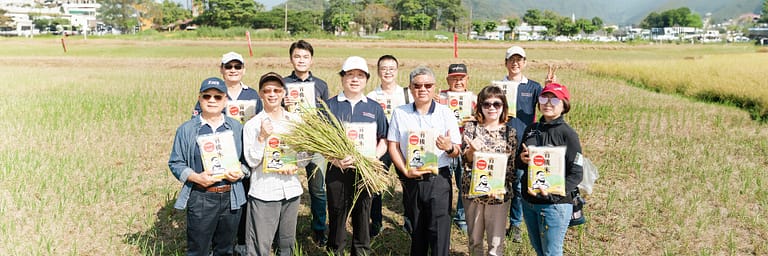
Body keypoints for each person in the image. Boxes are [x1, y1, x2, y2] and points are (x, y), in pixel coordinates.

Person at [169, 77, 249, 256]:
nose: (212, 100)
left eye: (217, 97)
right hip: (202, 197)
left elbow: (247, 162)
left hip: (232, 196)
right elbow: (175, 162)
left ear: (225, 100)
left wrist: (240, 172)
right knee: (199, 249)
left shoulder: (236, 128)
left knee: (226, 249)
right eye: (207, 96)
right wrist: (196, 177)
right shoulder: (187, 130)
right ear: (200, 98)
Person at [387, 66, 461, 256]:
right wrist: (404, 170)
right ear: (410, 88)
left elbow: (457, 150)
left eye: (428, 85)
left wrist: (449, 147)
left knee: (439, 231)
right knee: (416, 229)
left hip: (439, 179)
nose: (423, 89)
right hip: (411, 178)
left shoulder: (445, 113)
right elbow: (393, 145)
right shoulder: (400, 113)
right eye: (417, 85)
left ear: (434, 87)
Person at [323, 56, 389, 255]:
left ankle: (361, 250)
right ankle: (335, 249)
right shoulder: (329, 106)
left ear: (366, 79)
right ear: (342, 78)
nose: (354, 79)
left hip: (366, 171)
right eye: (350, 75)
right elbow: (321, 143)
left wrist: (374, 157)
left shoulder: (374, 107)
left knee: (363, 212)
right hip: (338, 169)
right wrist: (335, 160)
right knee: (337, 212)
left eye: (360, 75)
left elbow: (384, 139)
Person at [242, 72, 307, 256]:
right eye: (267, 90)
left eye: (276, 90)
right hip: (264, 192)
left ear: (283, 93)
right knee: (259, 246)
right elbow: (252, 160)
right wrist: (262, 137)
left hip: (291, 190)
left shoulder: (295, 122)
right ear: (261, 94)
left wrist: (300, 159)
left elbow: (303, 158)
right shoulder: (253, 125)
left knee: (286, 245)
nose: (272, 94)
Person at [516, 83, 583, 256]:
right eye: (544, 98)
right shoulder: (531, 130)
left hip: (554, 205)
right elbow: (519, 162)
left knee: (552, 252)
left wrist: (554, 194)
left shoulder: (568, 134)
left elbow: (576, 173)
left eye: (554, 99)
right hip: (529, 201)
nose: (548, 103)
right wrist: (522, 160)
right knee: (539, 250)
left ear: (564, 105)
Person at [283, 40, 331, 246]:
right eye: (297, 56)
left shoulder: (320, 85)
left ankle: (319, 228)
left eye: (305, 57)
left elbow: (327, 116)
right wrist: (284, 106)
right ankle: (284, 230)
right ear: (291, 59)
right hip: (290, 142)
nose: (301, 60)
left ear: (311, 60)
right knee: (285, 184)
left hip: (315, 143)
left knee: (318, 188)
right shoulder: (282, 84)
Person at [460, 85, 518, 256]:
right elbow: (465, 160)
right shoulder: (471, 128)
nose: (491, 108)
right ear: (480, 106)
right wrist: (471, 151)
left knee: (496, 244)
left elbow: (512, 169)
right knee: (475, 240)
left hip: (498, 197)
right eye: (486, 104)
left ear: (503, 107)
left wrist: (498, 188)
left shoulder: (510, 133)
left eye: (496, 104)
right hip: (473, 193)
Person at [364, 54, 413, 237]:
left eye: (391, 68)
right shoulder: (371, 96)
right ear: (378, 72)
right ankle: (376, 221)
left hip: (403, 146)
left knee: (408, 184)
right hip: (381, 144)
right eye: (384, 68)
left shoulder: (407, 94)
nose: (388, 72)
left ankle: (409, 222)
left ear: (397, 71)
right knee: (376, 184)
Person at [502, 45, 544, 242]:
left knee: (519, 185)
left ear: (525, 63)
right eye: (512, 59)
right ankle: (496, 221)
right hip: (500, 142)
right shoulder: (497, 86)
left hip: (523, 144)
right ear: (506, 63)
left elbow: (547, 106)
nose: (515, 63)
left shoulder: (534, 87)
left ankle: (516, 224)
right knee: (500, 184)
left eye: (519, 59)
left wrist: (550, 89)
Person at [434, 63, 475, 233]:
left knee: (464, 182)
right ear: (447, 79)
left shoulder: (474, 100)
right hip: (441, 145)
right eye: (454, 78)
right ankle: (441, 214)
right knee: (441, 182)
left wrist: (476, 116)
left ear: (467, 79)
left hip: (464, 146)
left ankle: (461, 217)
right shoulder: (438, 97)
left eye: (461, 78)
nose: (458, 81)